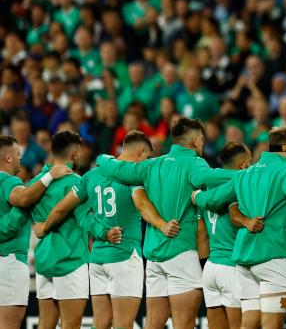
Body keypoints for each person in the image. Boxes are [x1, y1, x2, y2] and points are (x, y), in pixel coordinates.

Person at [193, 126, 286, 329]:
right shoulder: (285, 170)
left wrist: (197, 197)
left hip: (245, 260)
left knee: (249, 324)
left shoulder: (245, 174)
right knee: (272, 325)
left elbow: (215, 198)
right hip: (272, 259)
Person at [96, 117, 234, 329]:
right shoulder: (193, 163)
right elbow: (208, 177)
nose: (203, 144)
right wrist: (246, 174)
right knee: (184, 324)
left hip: (153, 256)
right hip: (180, 253)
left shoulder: (153, 164)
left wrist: (103, 157)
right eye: (202, 140)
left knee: (153, 324)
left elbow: (116, 170)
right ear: (196, 141)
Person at [34, 131, 172, 329]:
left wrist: (44, 227)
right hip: (124, 256)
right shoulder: (132, 178)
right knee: (123, 325)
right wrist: (161, 224)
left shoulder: (91, 176)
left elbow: (64, 207)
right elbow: (141, 206)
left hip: (97, 259)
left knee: (101, 324)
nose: (146, 162)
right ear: (141, 153)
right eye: (147, 157)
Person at [0, 135, 70, 329]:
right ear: (8, 158)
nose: (21, 158)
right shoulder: (8, 181)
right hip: (8, 262)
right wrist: (48, 177)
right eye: (18, 154)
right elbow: (23, 200)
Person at [28, 131, 89, 329]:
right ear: (74, 154)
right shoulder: (77, 183)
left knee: (45, 324)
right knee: (71, 326)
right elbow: (85, 220)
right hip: (70, 261)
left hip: (45, 260)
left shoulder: (37, 183)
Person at [198, 142, 254, 329]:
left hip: (211, 267)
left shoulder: (205, 187)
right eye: (250, 162)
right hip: (231, 266)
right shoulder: (237, 190)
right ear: (243, 165)